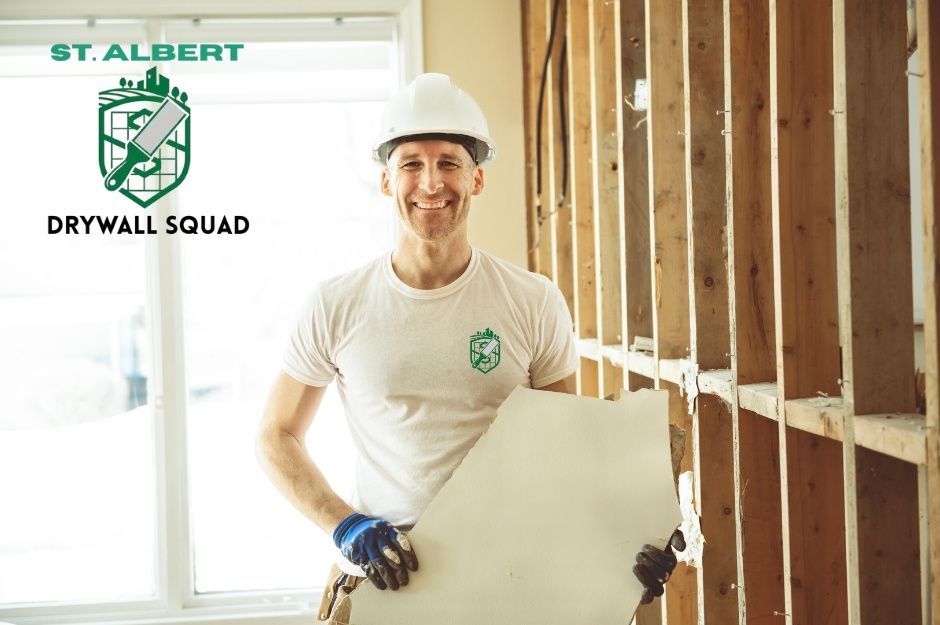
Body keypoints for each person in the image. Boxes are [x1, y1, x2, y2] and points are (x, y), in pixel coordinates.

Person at [256, 72, 679, 623]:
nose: (430, 183)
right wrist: (345, 524)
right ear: (386, 181)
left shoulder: (532, 301)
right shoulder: (335, 305)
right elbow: (276, 435)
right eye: (411, 164)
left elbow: (567, 456)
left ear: (477, 179)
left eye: (449, 163)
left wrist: (622, 550)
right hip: (389, 578)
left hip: (512, 576)